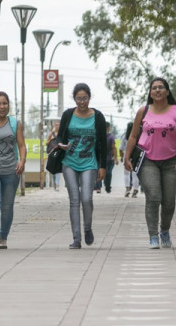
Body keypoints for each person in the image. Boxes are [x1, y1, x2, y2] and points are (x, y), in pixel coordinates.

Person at [124, 77, 176, 249]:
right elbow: (132, 136)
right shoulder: (143, 111)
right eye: (154, 88)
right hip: (147, 160)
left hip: (171, 161)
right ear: (150, 93)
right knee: (153, 196)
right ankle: (153, 235)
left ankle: (164, 231)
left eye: (161, 87)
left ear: (167, 92)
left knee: (169, 201)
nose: (158, 90)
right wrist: (126, 157)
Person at [56, 83, 107, 249]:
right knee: (74, 200)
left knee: (86, 198)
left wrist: (102, 166)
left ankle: (87, 228)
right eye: (79, 98)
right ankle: (76, 238)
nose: (82, 102)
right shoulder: (68, 115)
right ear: (74, 99)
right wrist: (61, 145)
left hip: (89, 163)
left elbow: (103, 143)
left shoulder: (97, 117)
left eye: (84, 98)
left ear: (89, 98)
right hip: (69, 162)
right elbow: (59, 137)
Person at [0, 91, 26, 250]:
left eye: (5, 103)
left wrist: (22, 161)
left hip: (11, 170)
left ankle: (3, 238)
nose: (2, 107)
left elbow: (21, 145)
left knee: (7, 206)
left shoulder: (15, 123)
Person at [94, 122, 118, 194]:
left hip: (109, 159)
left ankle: (107, 186)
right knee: (99, 172)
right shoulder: (98, 136)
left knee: (108, 173)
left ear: (108, 128)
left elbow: (113, 148)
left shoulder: (111, 137)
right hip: (99, 158)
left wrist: (116, 158)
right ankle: (98, 187)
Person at [119, 122, 140, 198]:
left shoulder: (124, 136)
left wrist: (122, 157)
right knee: (135, 173)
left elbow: (121, 148)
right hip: (135, 156)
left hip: (126, 155)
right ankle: (135, 189)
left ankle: (127, 189)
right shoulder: (137, 136)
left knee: (126, 173)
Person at [45, 121, 61, 191]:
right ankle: (54, 184)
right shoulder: (51, 134)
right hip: (52, 153)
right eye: (56, 125)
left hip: (59, 153)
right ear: (54, 126)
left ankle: (57, 185)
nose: (57, 126)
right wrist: (51, 139)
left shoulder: (61, 134)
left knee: (58, 169)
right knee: (53, 169)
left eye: (58, 125)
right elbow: (46, 143)